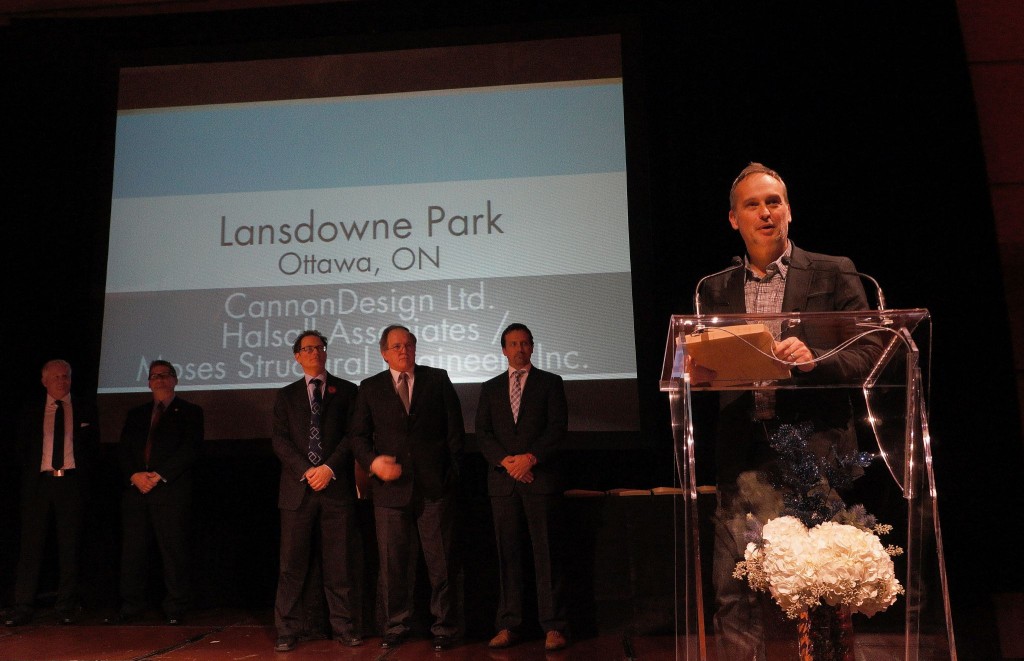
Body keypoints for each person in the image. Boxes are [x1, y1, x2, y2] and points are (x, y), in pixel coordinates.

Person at [693, 163, 879, 660]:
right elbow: (698, 360)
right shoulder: (715, 288)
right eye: (752, 204)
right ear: (734, 219)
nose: (765, 212)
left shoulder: (833, 271)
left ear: (789, 210)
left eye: (773, 201)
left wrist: (815, 360)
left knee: (822, 588)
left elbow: (872, 350)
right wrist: (700, 372)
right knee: (732, 586)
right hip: (740, 449)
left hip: (813, 450)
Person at [348, 324, 465, 651]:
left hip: (433, 488)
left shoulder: (437, 379)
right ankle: (395, 626)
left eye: (409, 345)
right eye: (397, 346)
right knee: (392, 565)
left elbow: (455, 432)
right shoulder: (370, 387)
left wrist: (451, 475)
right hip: (389, 491)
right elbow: (356, 436)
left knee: (440, 563)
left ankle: (444, 627)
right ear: (384, 352)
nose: (404, 350)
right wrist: (373, 463)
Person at [476, 323, 570, 652]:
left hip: (540, 480)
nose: (519, 349)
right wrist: (507, 462)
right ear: (503, 350)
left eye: (525, 343)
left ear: (532, 347)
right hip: (503, 484)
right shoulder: (489, 389)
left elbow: (558, 429)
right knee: (508, 556)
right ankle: (509, 624)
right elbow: (483, 435)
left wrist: (530, 459)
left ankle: (554, 627)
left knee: (547, 555)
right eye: (513, 344)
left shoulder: (550, 383)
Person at [271, 330, 362, 653]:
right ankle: (287, 630)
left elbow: (353, 436)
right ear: (297, 356)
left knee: (340, 564)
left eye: (319, 348)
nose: (314, 353)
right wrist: (307, 470)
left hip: (335, 488)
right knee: (291, 566)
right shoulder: (285, 395)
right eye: (307, 349)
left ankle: (345, 627)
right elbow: (279, 440)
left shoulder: (349, 391)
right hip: (298, 490)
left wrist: (328, 468)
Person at [108, 360, 204, 625]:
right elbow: (124, 450)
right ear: (148, 382)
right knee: (133, 552)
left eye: (165, 375)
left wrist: (159, 475)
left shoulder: (190, 412)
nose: (160, 380)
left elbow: (190, 449)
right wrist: (135, 475)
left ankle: (175, 606)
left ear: (175, 380)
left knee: (173, 552)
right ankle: (132, 605)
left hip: (170, 491)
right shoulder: (135, 414)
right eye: (154, 376)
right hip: (136, 491)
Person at [5, 359, 99, 627]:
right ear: (44, 381)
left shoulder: (84, 408)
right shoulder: (32, 411)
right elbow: (20, 450)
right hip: (39, 485)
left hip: (71, 484)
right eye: (56, 377)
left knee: (69, 545)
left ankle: (66, 605)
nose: (62, 381)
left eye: (66, 376)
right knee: (31, 546)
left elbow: (93, 449)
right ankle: (23, 605)